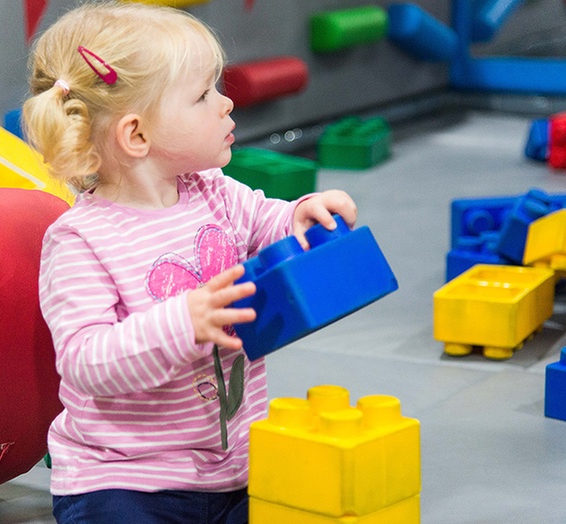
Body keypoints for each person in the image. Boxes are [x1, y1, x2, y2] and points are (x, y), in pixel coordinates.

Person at [23, 2, 357, 523]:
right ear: (136, 136)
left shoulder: (212, 193)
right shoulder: (80, 240)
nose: (225, 104)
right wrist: (184, 322)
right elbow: (85, 361)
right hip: (124, 481)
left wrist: (299, 216)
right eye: (203, 96)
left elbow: (263, 220)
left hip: (236, 469)